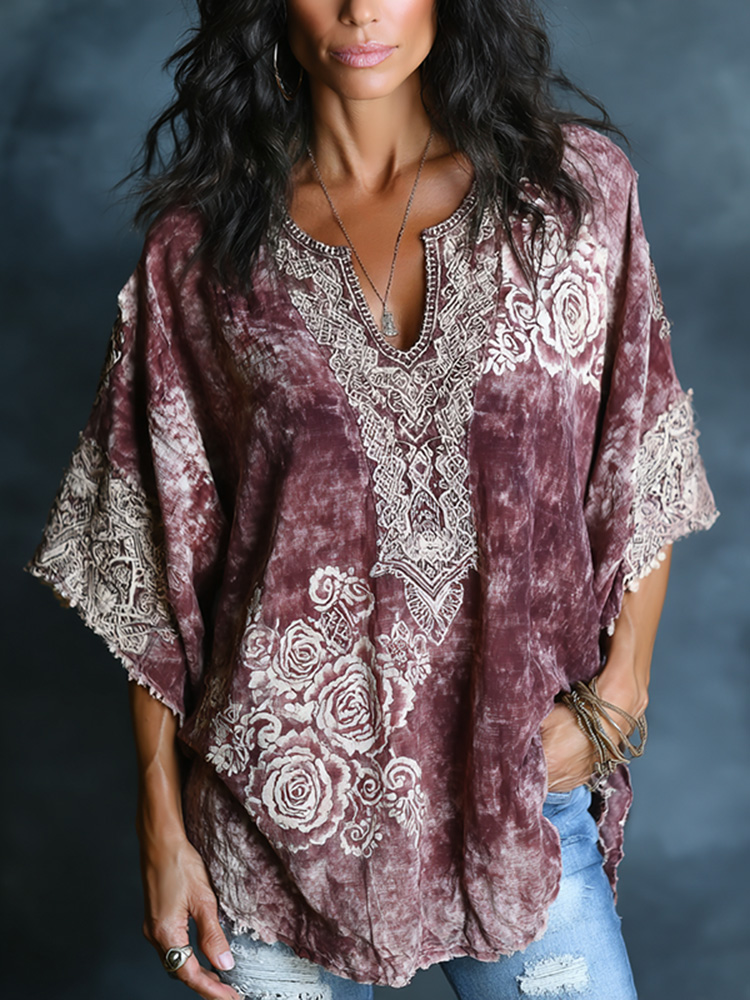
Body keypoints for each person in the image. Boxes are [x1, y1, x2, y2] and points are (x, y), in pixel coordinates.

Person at [25, 1, 720, 998]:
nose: (359, 11)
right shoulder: (202, 254)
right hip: (270, 826)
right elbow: (159, 558)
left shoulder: (568, 198)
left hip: (512, 802)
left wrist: (621, 695)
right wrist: (162, 831)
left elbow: (640, 451)